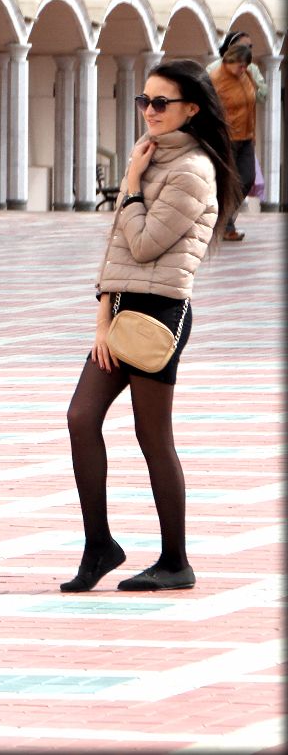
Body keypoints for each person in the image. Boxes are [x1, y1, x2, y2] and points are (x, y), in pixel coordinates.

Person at [62, 59, 240, 593]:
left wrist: (132, 183)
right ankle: (100, 546)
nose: (150, 112)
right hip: (123, 310)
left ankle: (175, 561)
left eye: (161, 103)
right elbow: (118, 249)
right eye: (145, 101)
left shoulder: (192, 171)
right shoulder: (152, 158)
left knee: (152, 436)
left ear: (191, 108)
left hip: (161, 312)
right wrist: (102, 318)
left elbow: (142, 243)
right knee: (80, 417)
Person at [208, 42, 258, 241]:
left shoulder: (246, 76)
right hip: (226, 139)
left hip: (246, 138)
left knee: (247, 178)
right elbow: (209, 110)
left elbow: (251, 104)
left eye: (246, 65)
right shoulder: (216, 80)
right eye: (240, 65)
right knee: (226, 183)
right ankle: (225, 225)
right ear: (230, 61)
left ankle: (223, 219)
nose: (243, 69)